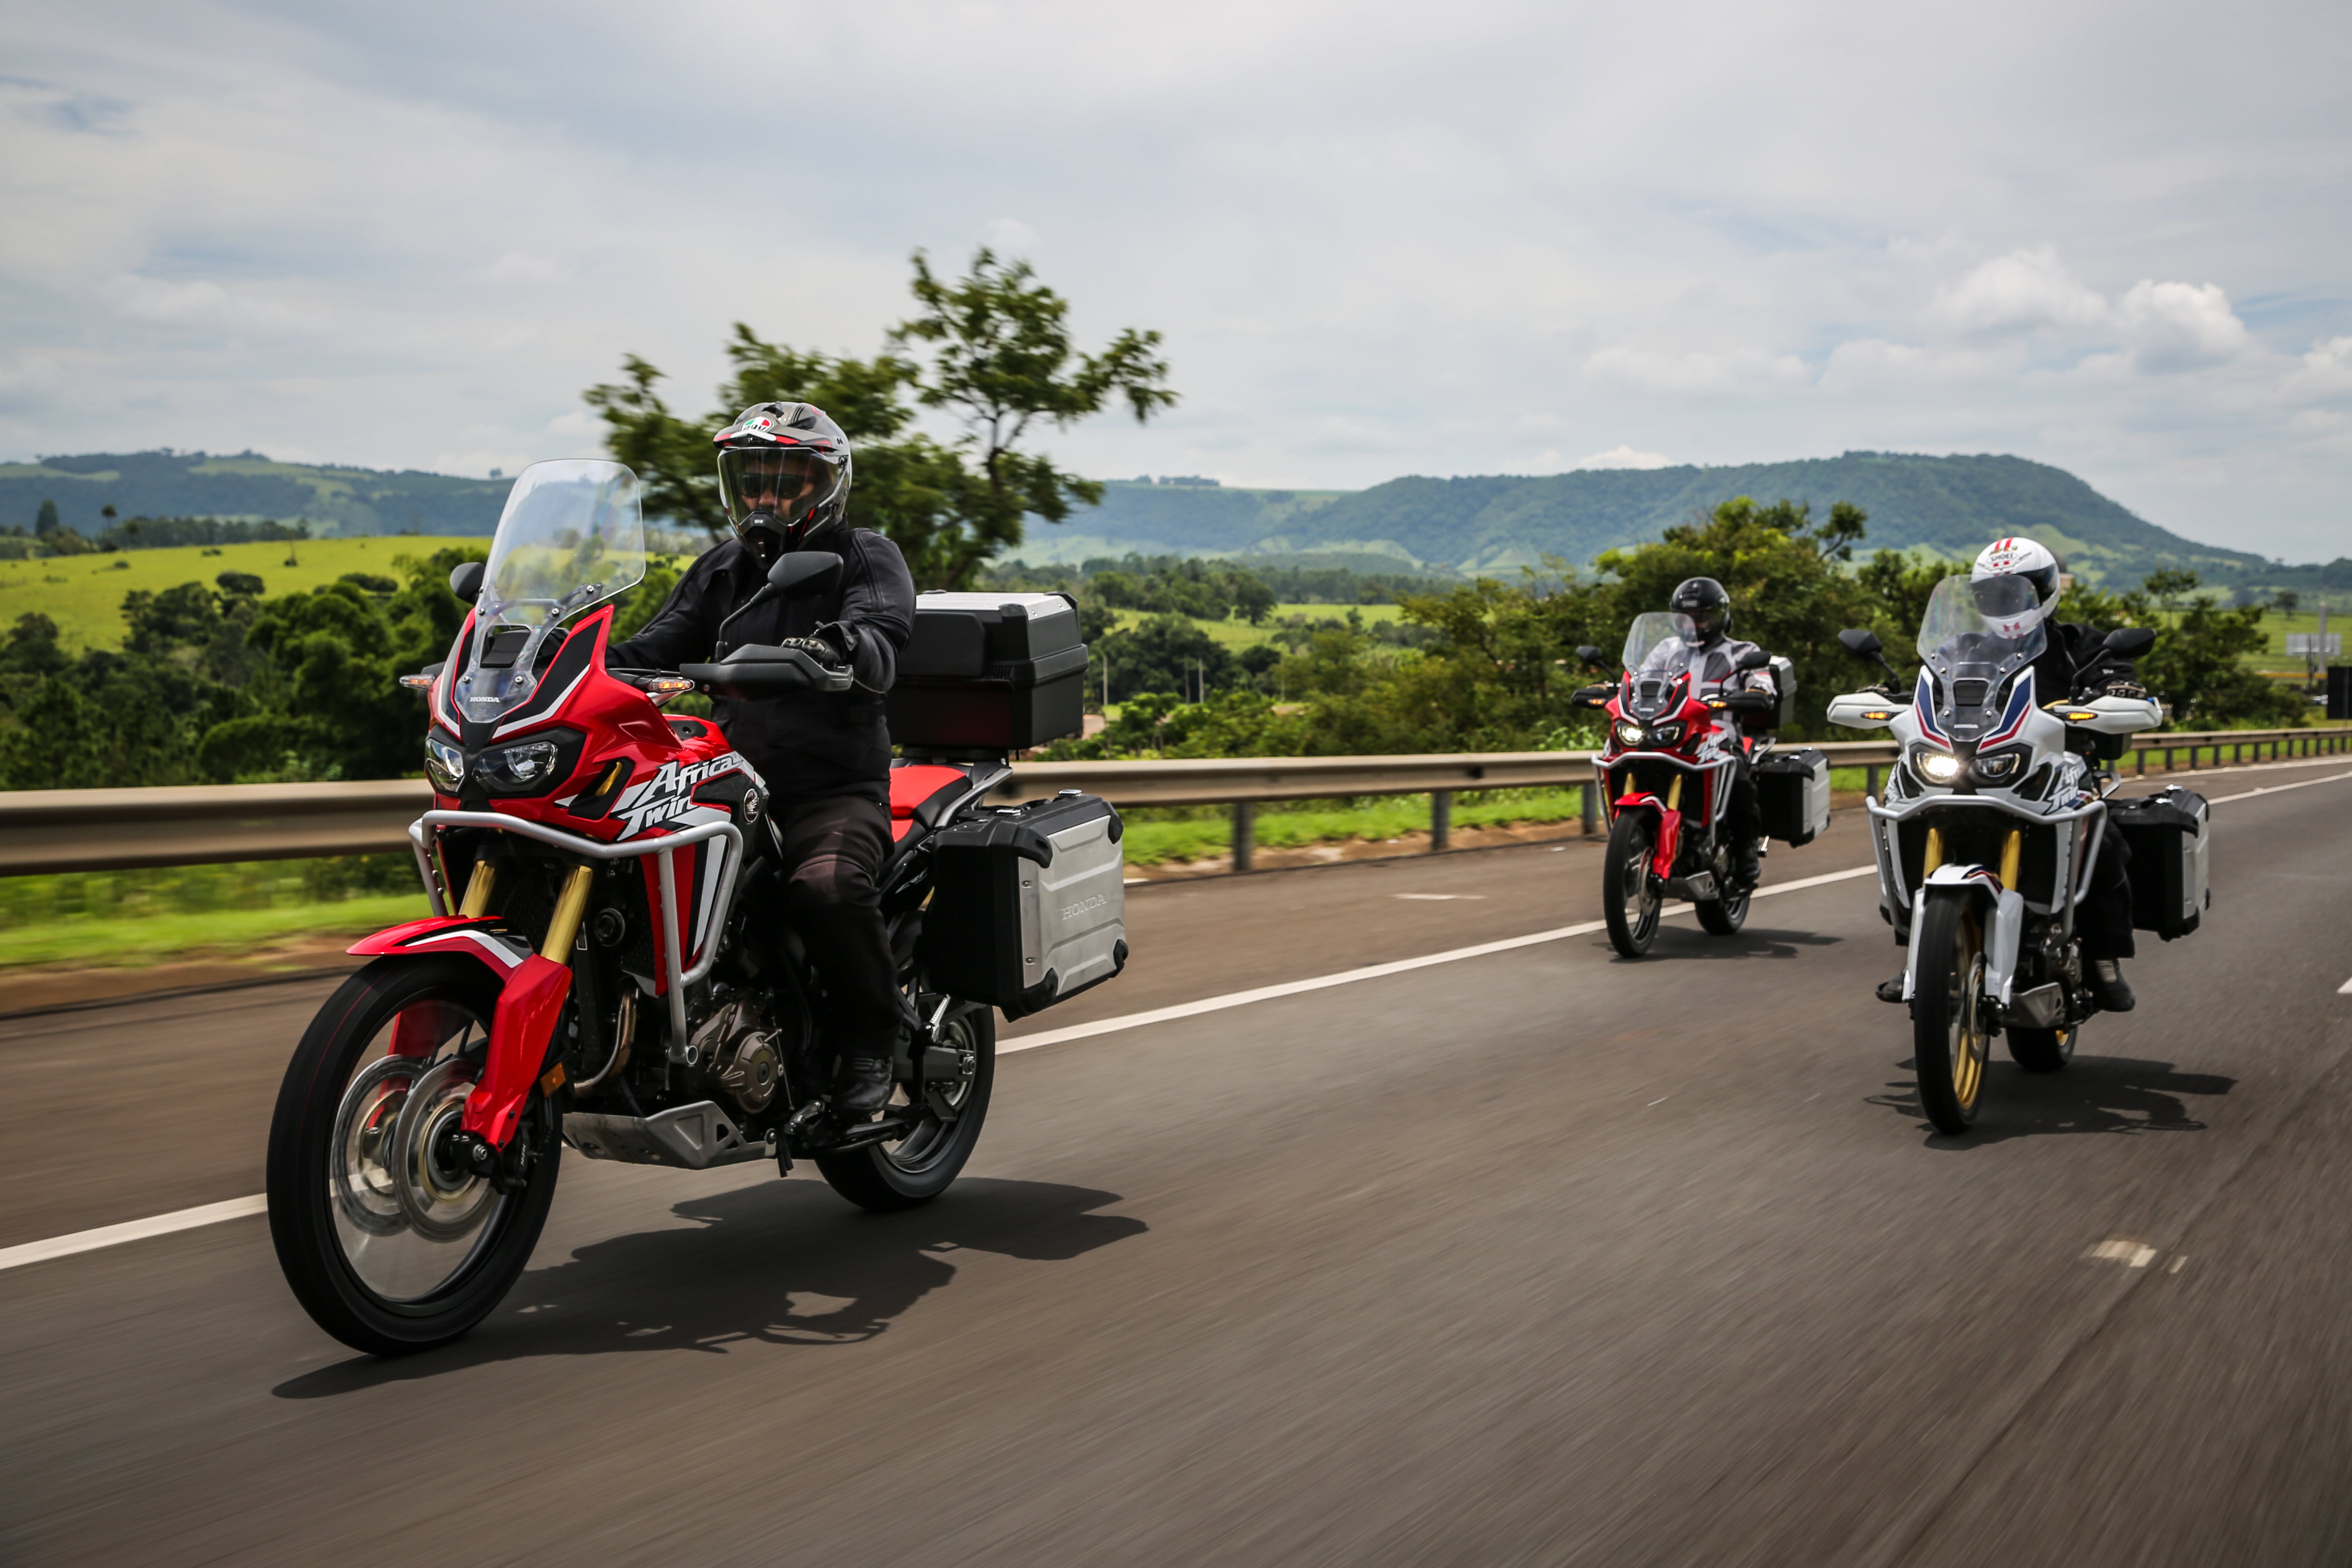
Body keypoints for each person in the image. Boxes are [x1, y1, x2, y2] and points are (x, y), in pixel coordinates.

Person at [607, 401, 916, 1111]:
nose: (766, 498)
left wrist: (840, 647)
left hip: (828, 792)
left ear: (826, 485)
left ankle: (873, 1032)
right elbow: (650, 652)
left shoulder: (864, 556)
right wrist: (555, 659)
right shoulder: (723, 570)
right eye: (753, 482)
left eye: (786, 481)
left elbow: (881, 634)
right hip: (721, 783)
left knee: (828, 886)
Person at [1875, 537, 2140, 1011]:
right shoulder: (1962, 647)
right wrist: (1888, 697)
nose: (2006, 605)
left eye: (2017, 594)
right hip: (1974, 765)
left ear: (2044, 592)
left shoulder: (2083, 647)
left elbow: (2117, 676)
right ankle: (1923, 957)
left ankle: (2105, 956)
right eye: (1994, 596)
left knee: (2106, 841)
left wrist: (2118, 686)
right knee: (1906, 820)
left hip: (2058, 768)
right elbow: (1932, 686)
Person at [1652, 577, 1777, 883]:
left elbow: (1763, 686)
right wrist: (1613, 690)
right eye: (1686, 618)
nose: (1694, 624)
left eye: (1702, 617)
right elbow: (1642, 679)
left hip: (1719, 739)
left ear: (1719, 616)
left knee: (1738, 779)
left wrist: (1755, 694)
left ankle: (1746, 848)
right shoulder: (1666, 650)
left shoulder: (1743, 651)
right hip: (1673, 735)